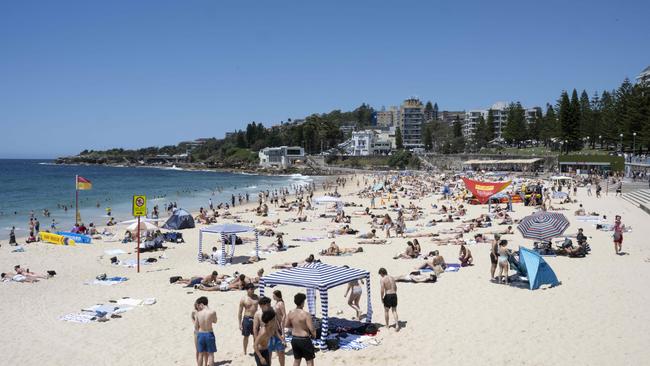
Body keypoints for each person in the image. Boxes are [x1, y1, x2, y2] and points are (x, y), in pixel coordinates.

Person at [285, 293, 316, 366]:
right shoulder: (306, 314)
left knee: (297, 360)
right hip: (304, 339)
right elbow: (311, 328)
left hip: (294, 339)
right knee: (309, 361)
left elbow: (286, 325)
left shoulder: (290, 312)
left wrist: (295, 327)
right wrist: (314, 335)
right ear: (302, 302)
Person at [194, 296, 217, 366]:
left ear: (201, 304)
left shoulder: (198, 313)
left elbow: (196, 326)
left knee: (200, 353)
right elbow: (215, 321)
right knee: (211, 354)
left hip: (201, 334)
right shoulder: (212, 312)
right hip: (209, 333)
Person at [238, 283, 259, 355]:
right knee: (246, 336)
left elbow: (263, 306)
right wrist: (240, 323)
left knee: (255, 336)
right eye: (251, 289)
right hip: (247, 318)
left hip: (256, 319)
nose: (253, 290)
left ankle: (256, 350)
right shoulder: (243, 299)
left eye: (253, 289)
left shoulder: (257, 297)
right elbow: (240, 312)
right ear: (247, 290)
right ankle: (244, 351)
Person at [272, 290, 287, 366]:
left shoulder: (280, 303)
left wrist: (282, 323)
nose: (273, 296)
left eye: (273, 295)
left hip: (280, 324)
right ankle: (278, 352)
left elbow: (284, 314)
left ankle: (280, 352)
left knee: (280, 338)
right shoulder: (277, 302)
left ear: (277, 295)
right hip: (276, 324)